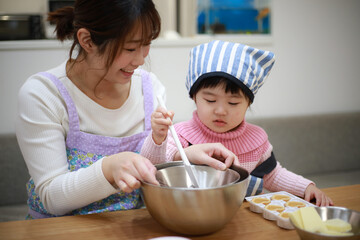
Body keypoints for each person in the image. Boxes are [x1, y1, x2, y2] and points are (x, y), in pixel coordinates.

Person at [16, 1, 237, 219]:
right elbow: (53, 198)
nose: (141, 59)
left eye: (147, 43)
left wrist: (183, 156)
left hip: (132, 227)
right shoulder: (43, 94)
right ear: (87, 40)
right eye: (130, 48)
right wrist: (108, 168)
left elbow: (150, 166)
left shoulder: (150, 88)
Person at [141, 40, 334, 206]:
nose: (221, 110)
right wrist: (158, 137)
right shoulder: (180, 134)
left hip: (238, 218)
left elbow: (273, 175)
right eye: (210, 100)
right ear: (194, 97)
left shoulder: (256, 140)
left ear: (248, 103)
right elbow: (154, 166)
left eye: (233, 102)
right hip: (189, 215)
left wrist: (306, 186)